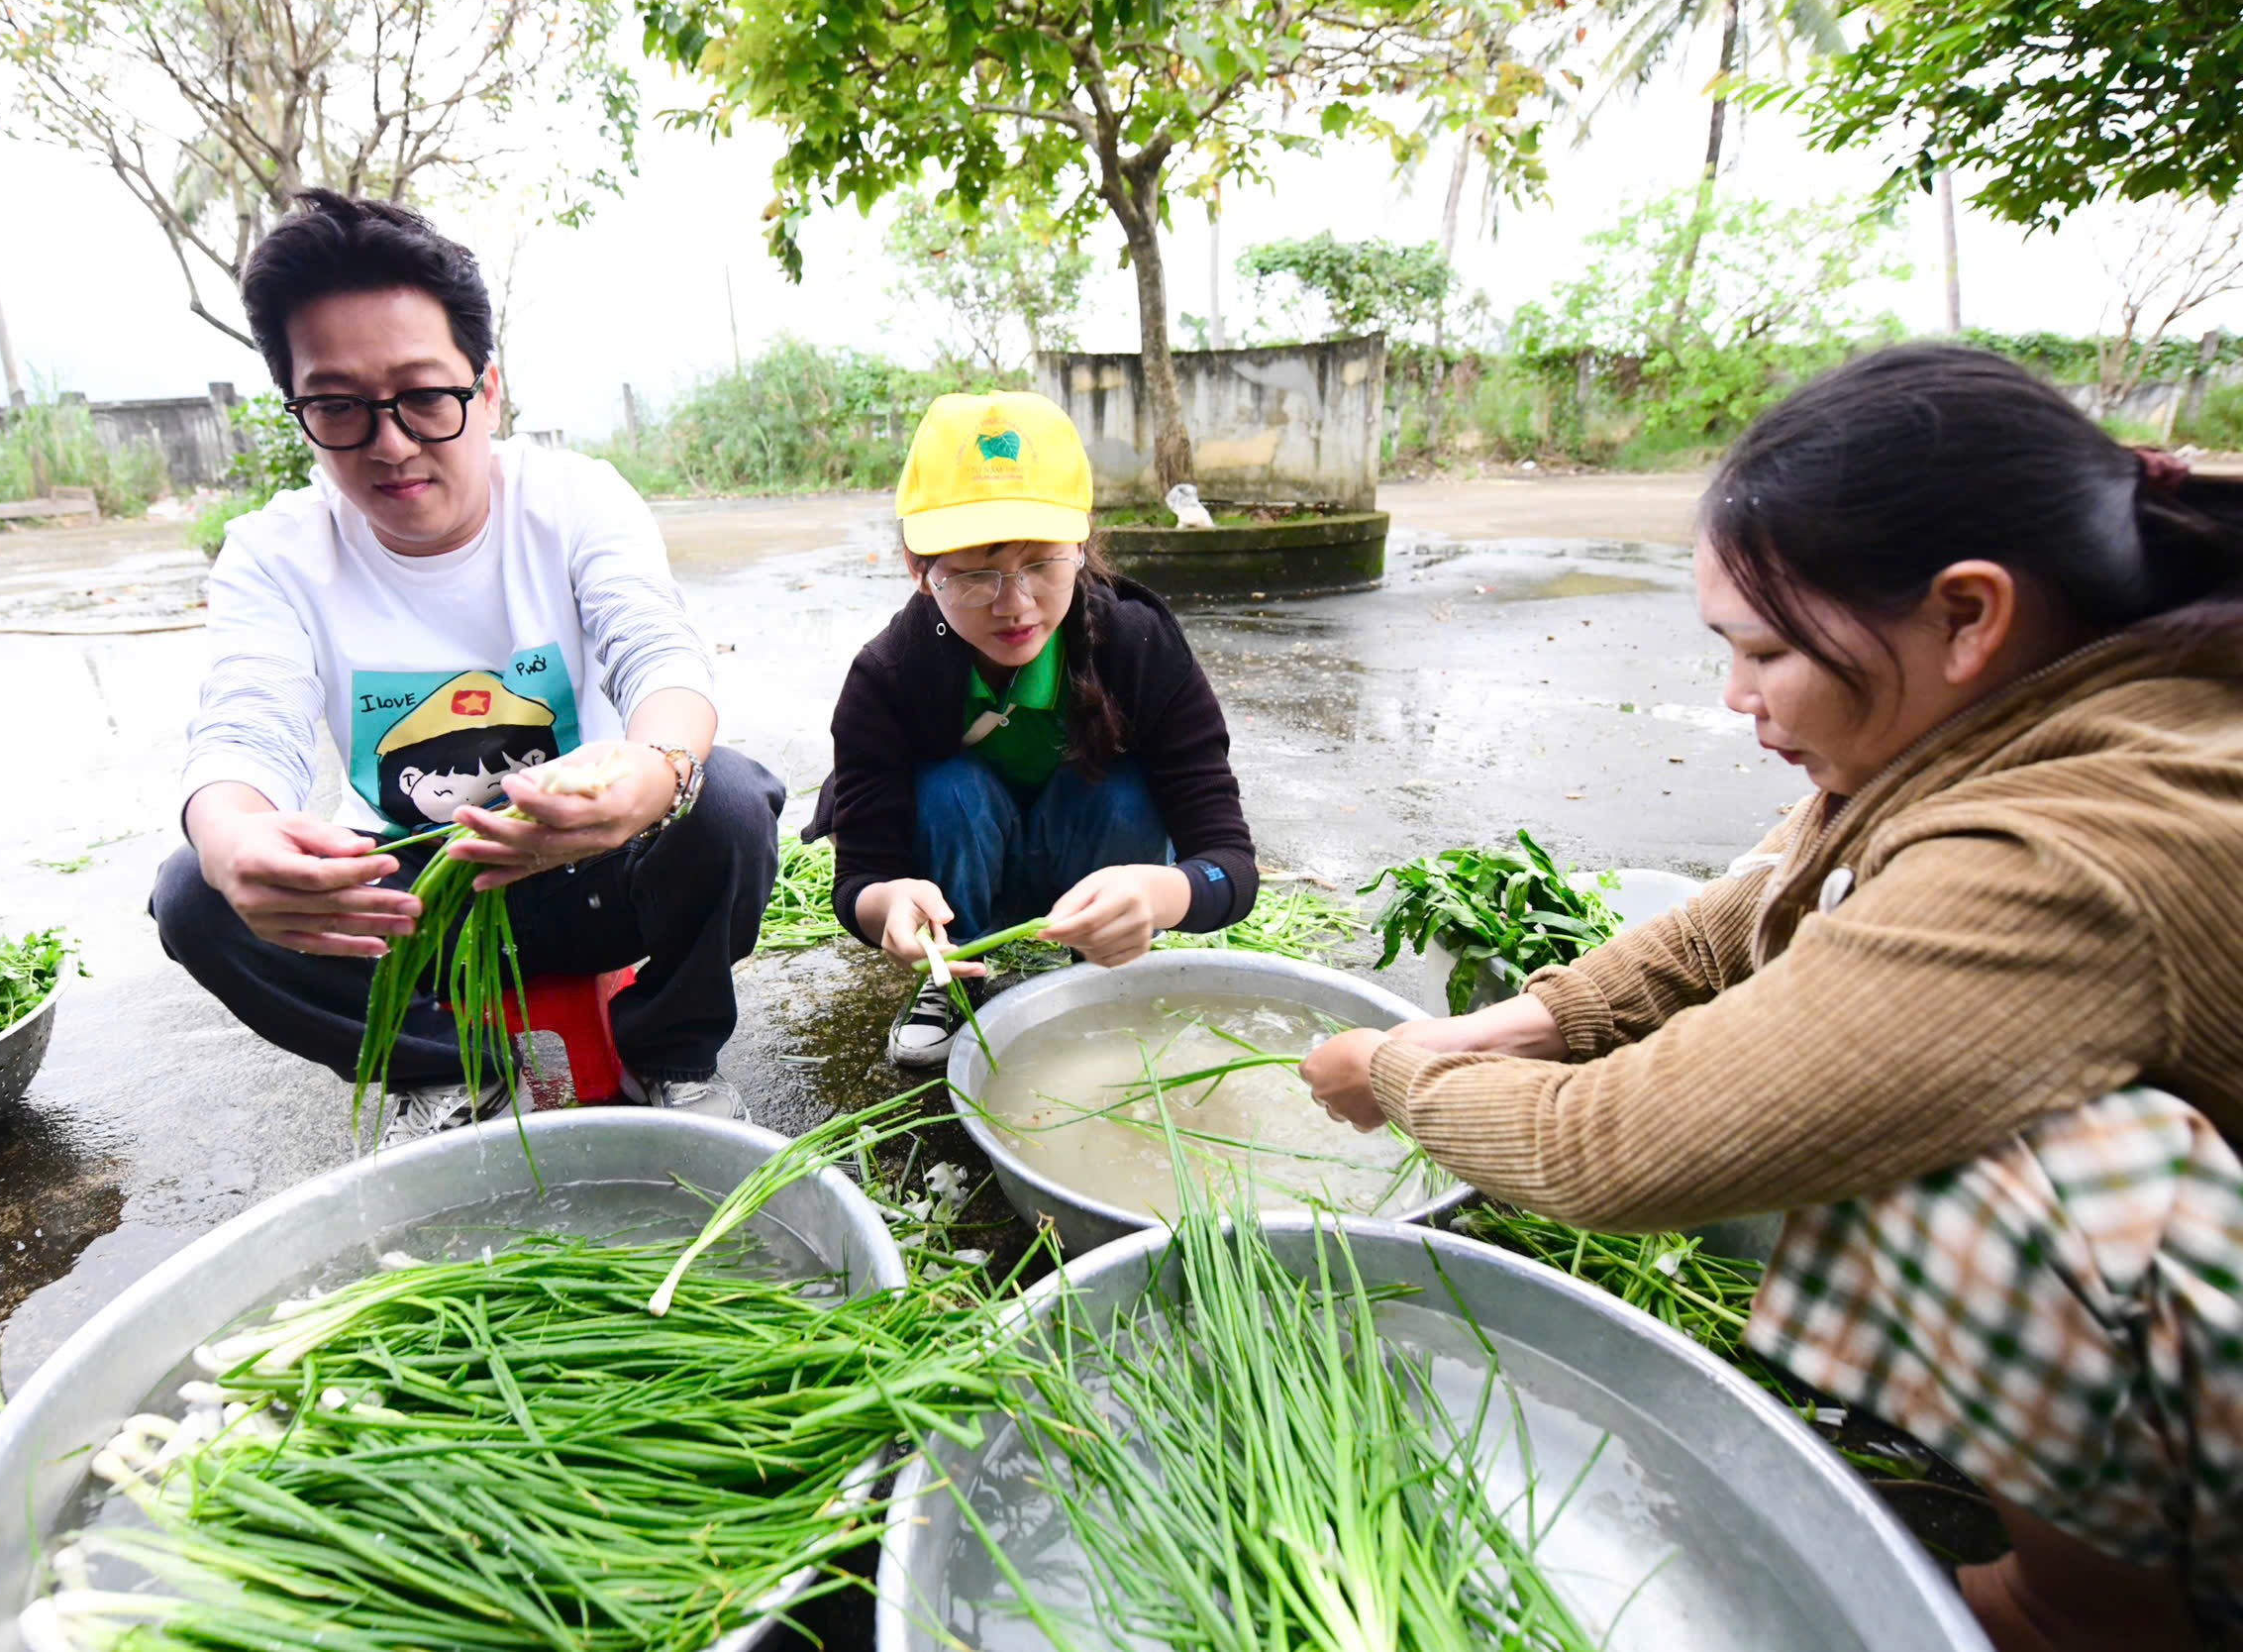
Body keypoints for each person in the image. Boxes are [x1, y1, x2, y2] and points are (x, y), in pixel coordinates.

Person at [1301, 346, 2243, 1651]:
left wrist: (1398, 1070)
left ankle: (2087, 1615)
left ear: (1970, 614)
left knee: (1998, 1149)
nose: (1735, 698)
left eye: (1764, 651)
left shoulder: (2076, 848)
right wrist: (1530, 1017)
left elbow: (1611, 1145)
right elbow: (1762, 897)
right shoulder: (2048, 697)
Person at [151, 189, 781, 1143]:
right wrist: (232, 835)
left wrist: (654, 771)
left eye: (423, 395)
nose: (391, 443)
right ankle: (450, 1074)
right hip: (409, 909)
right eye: (339, 406)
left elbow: (658, 653)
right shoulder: (273, 552)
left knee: (725, 799)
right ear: (298, 408)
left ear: (487, 389)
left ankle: (672, 1054)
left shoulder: (572, 500)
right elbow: (244, 728)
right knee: (194, 892)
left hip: (589, 862)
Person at [803, 390, 1259, 1068]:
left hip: (1087, 871)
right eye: (974, 575)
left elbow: (1230, 862)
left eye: (1042, 564)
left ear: (1080, 545)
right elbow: (860, 880)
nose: (1014, 606)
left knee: (1124, 792)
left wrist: (1163, 896)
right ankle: (957, 982)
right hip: (960, 885)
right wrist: (889, 904)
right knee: (949, 787)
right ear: (918, 570)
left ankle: (1095, 967)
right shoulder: (887, 675)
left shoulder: (1137, 645)